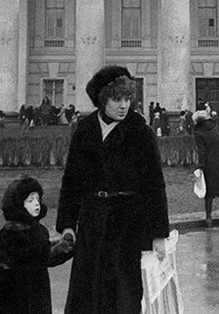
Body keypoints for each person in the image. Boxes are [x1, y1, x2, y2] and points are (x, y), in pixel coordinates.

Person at [57, 66, 170, 312]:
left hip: (126, 224)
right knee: (87, 295)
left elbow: (154, 186)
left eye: (127, 98)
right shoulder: (85, 131)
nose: (123, 105)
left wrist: (159, 233)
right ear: (102, 99)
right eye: (116, 99)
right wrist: (67, 223)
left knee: (123, 298)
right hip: (92, 222)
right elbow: (72, 181)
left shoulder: (141, 133)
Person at [0, 176, 73, 313]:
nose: (36, 204)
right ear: (19, 204)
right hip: (17, 291)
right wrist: (61, 249)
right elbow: (41, 257)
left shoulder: (36, 229)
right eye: (30, 201)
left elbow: (43, 252)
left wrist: (65, 248)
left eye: (38, 199)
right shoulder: (12, 233)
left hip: (34, 288)